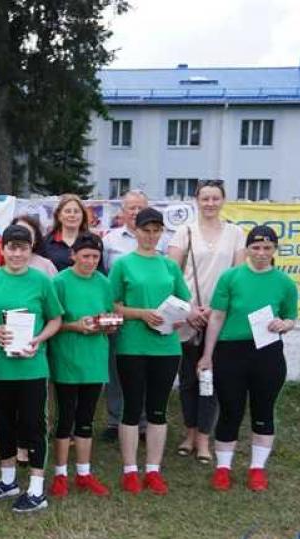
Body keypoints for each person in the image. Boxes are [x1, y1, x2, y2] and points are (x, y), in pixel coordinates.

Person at [198, 225, 298, 492]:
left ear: (275, 249)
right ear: (247, 249)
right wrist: (207, 355)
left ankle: (257, 469)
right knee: (230, 410)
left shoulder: (285, 282)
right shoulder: (230, 277)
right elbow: (217, 317)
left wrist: (284, 324)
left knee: (263, 411)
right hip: (231, 352)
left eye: (267, 248)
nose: (261, 253)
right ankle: (223, 468)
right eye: (256, 247)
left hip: (267, 352)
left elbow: (291, 317)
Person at [0, 225, 63, 512]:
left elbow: (56, 319)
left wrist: (39, 338)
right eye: (12, 248)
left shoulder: (41, 281)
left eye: (23, 248)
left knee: (33, 424)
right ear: (2, 249)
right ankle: (8, 480)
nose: (17, 254)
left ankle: (37, 488)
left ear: (30, 250)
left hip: (31, 367)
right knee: (3, 424)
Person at [109, 208, 192, 495]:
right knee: (132, 407)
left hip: (166, 347)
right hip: (132, 345)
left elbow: (184, 301)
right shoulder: (123, 264)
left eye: (157, 230)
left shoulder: (169, 266)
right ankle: (130, 470)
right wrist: (142, 313)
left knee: (158, 409)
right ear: (136, 231)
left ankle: (153, 469)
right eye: (146, 230)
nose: (151, 235)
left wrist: (180, 317)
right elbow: (112, 305)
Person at [166, 180, 246, 463]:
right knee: (188, 380)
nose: (210, 203)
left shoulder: (236, 233)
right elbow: (171, 275)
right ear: (196, 201)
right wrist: (189, 309)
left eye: (215, 198)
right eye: (205, 198)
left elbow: (238, 276)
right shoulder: (184, 232)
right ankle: (189, 434)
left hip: (219, 317)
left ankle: (203, 439)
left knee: (210, 379)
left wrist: (215, 309)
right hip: (188, 317)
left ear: (223, 200)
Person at [47, 233, 116, 498]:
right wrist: (74, 325)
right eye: (85, 256)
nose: (90, 261)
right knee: (66, 417)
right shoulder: (60, 282)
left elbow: (110, 315)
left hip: (94, 359)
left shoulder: (104, 282)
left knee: (86, 418)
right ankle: (60, 474)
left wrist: (106, 324)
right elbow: (51, 321)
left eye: (95, 257)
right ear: (73, 255)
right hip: (67, 357)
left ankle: (84, 473)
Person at [101, 190, 169, 441]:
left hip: (155, 317)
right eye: (131, 207)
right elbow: (103, 274)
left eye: (140, 207)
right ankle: (115, 419)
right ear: (123, 211)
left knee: (148, 374)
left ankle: (143, 422)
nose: (136, 212)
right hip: (120, 313)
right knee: (117, 371)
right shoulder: (110, 240)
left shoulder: (162, 242)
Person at [42, 194, 97, 272]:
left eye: (76, 211)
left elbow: (99, 272)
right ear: (59, 216)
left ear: (83, 216)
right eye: (68, 211)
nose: (72, 215)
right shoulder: (45, 242)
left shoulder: (93, 241)